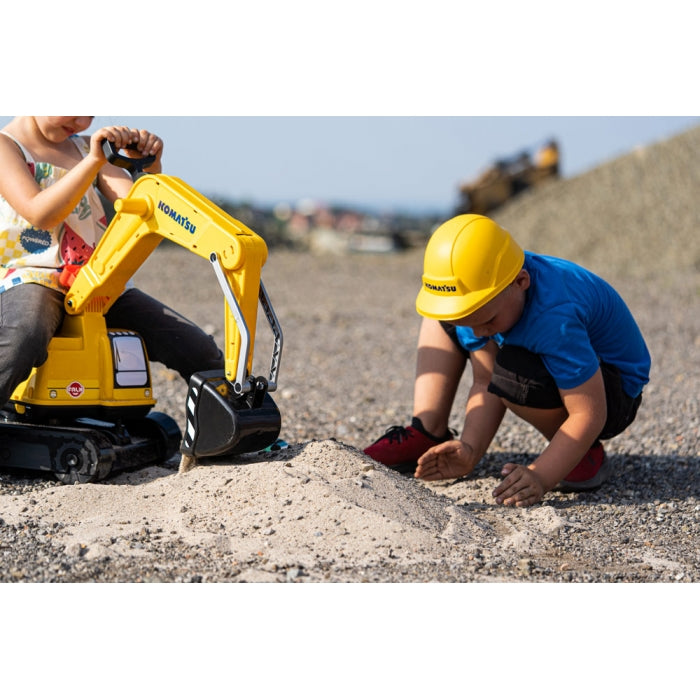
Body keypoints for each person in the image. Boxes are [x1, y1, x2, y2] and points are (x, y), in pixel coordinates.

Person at [364, 214, 650, 507]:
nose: (477, 333)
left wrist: (541, 475)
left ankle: (583, 452)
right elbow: (484, 381)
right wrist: (470, 450)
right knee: (443, 317)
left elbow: (589, 413)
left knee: (512, 372)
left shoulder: (555, 317)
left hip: (613, 393)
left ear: (521, 281)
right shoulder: (487, 297)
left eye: (486, 320)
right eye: (470, 323)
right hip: (565, 367)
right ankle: (427, 430)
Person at [0, 116, 223, 409]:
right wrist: (93, 161)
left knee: (193, 346)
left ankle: (232, 425)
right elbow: (39, 213)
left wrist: (148, 167)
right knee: (24, 336)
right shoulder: (7, 147)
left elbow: (138, 209)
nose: (82, 121)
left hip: (94, 280)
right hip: (30, 276)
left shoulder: (86, 148)